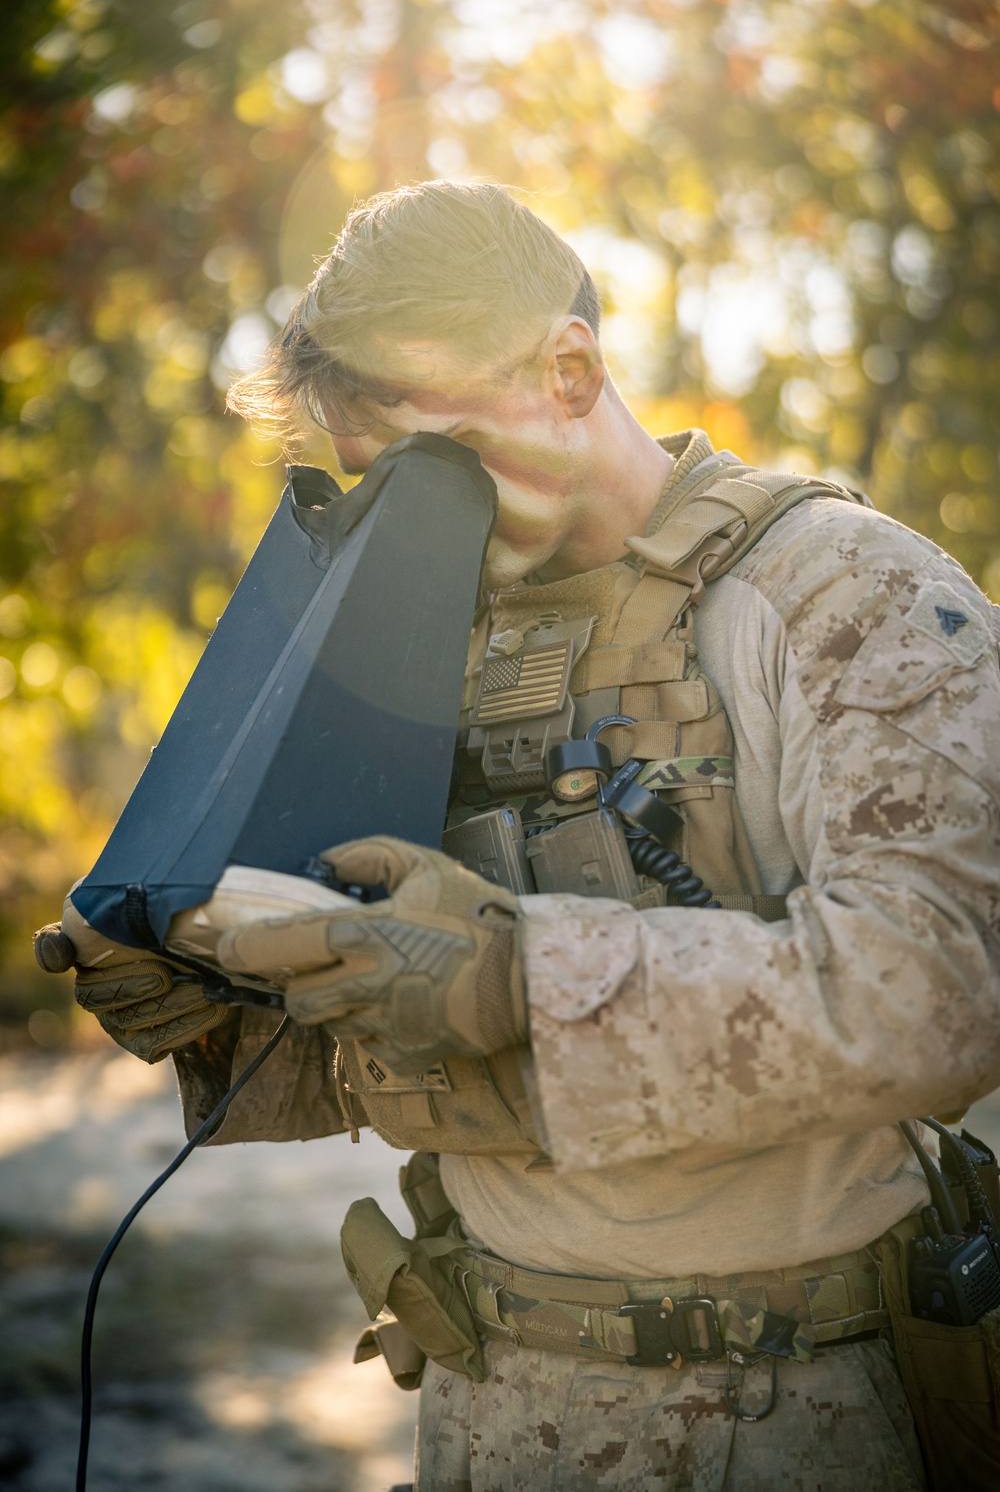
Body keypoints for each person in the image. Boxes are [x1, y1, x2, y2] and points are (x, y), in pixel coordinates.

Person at [40, 181, 1000, 1490]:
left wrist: (518, 976)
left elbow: (946, 987)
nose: (415, 523)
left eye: (438, 465)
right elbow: (419, 1035)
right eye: (382, 485)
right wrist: (214, 998)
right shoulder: (455, 638)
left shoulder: (844, 592)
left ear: (569, 368)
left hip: (786, 1413)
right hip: (492, 1410)